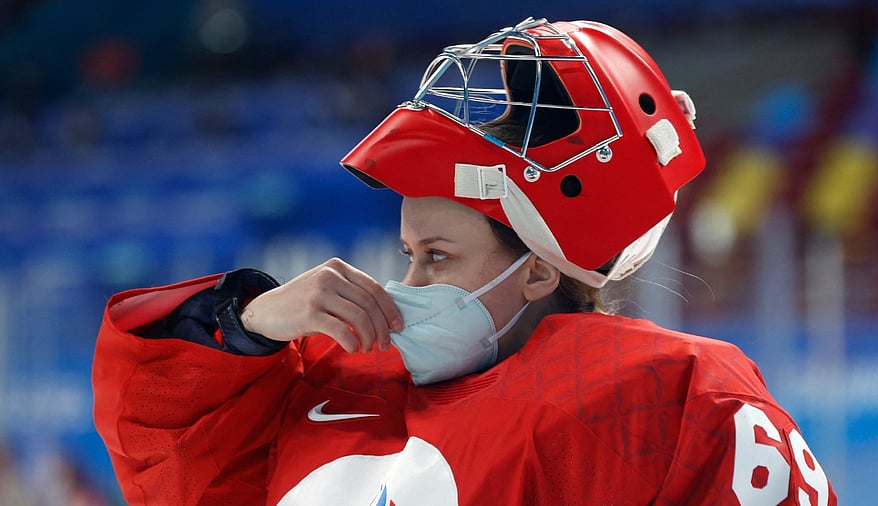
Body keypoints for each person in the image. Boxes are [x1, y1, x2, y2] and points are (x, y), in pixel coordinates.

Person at [92, 17, 838, 505]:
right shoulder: (333, 378)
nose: (407, 283)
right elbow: (163, 457)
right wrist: (247, 322)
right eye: (409, 254)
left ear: (542, 267)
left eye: (440, 256)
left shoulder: (663, 397)